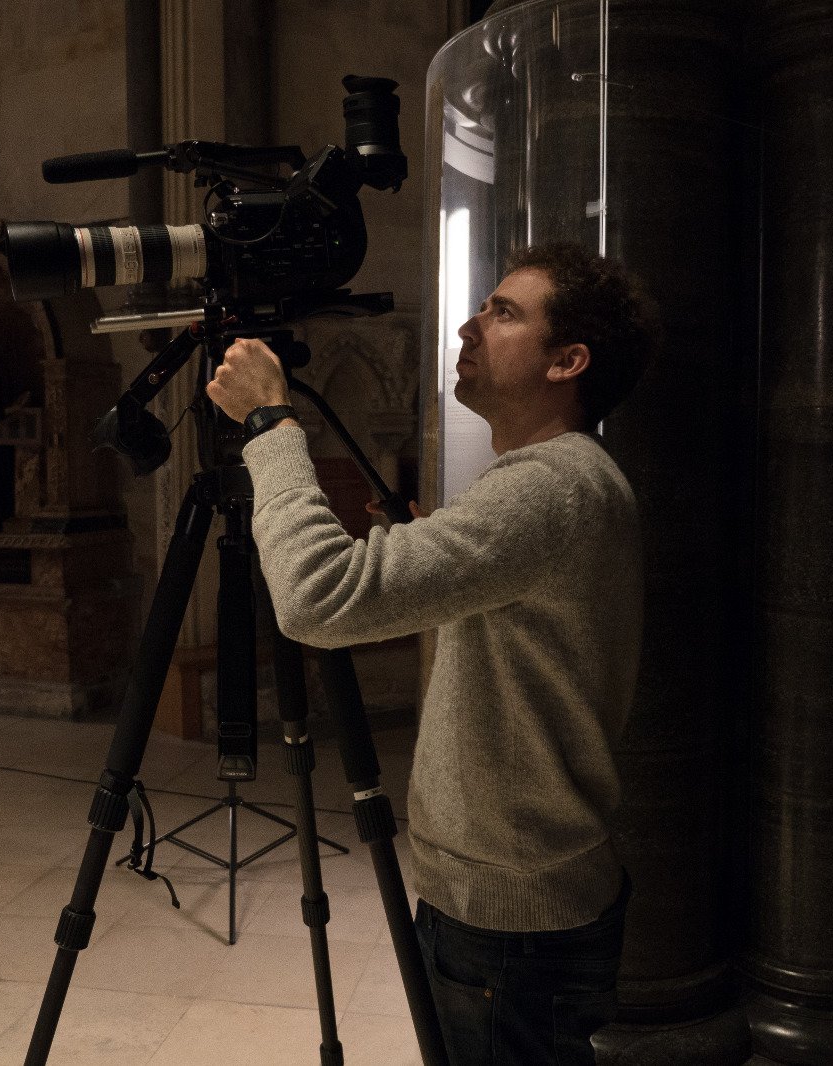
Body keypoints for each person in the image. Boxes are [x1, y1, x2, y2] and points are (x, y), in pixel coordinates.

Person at [207, 242, 655, 1064]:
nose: (469, 324)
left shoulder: (546, 487)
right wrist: (414, 545)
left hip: (509, 921)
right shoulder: (567, 480)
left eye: (504, 312)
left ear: (569, 362)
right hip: (525, 899)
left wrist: (270, 426)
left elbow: (316, 597)